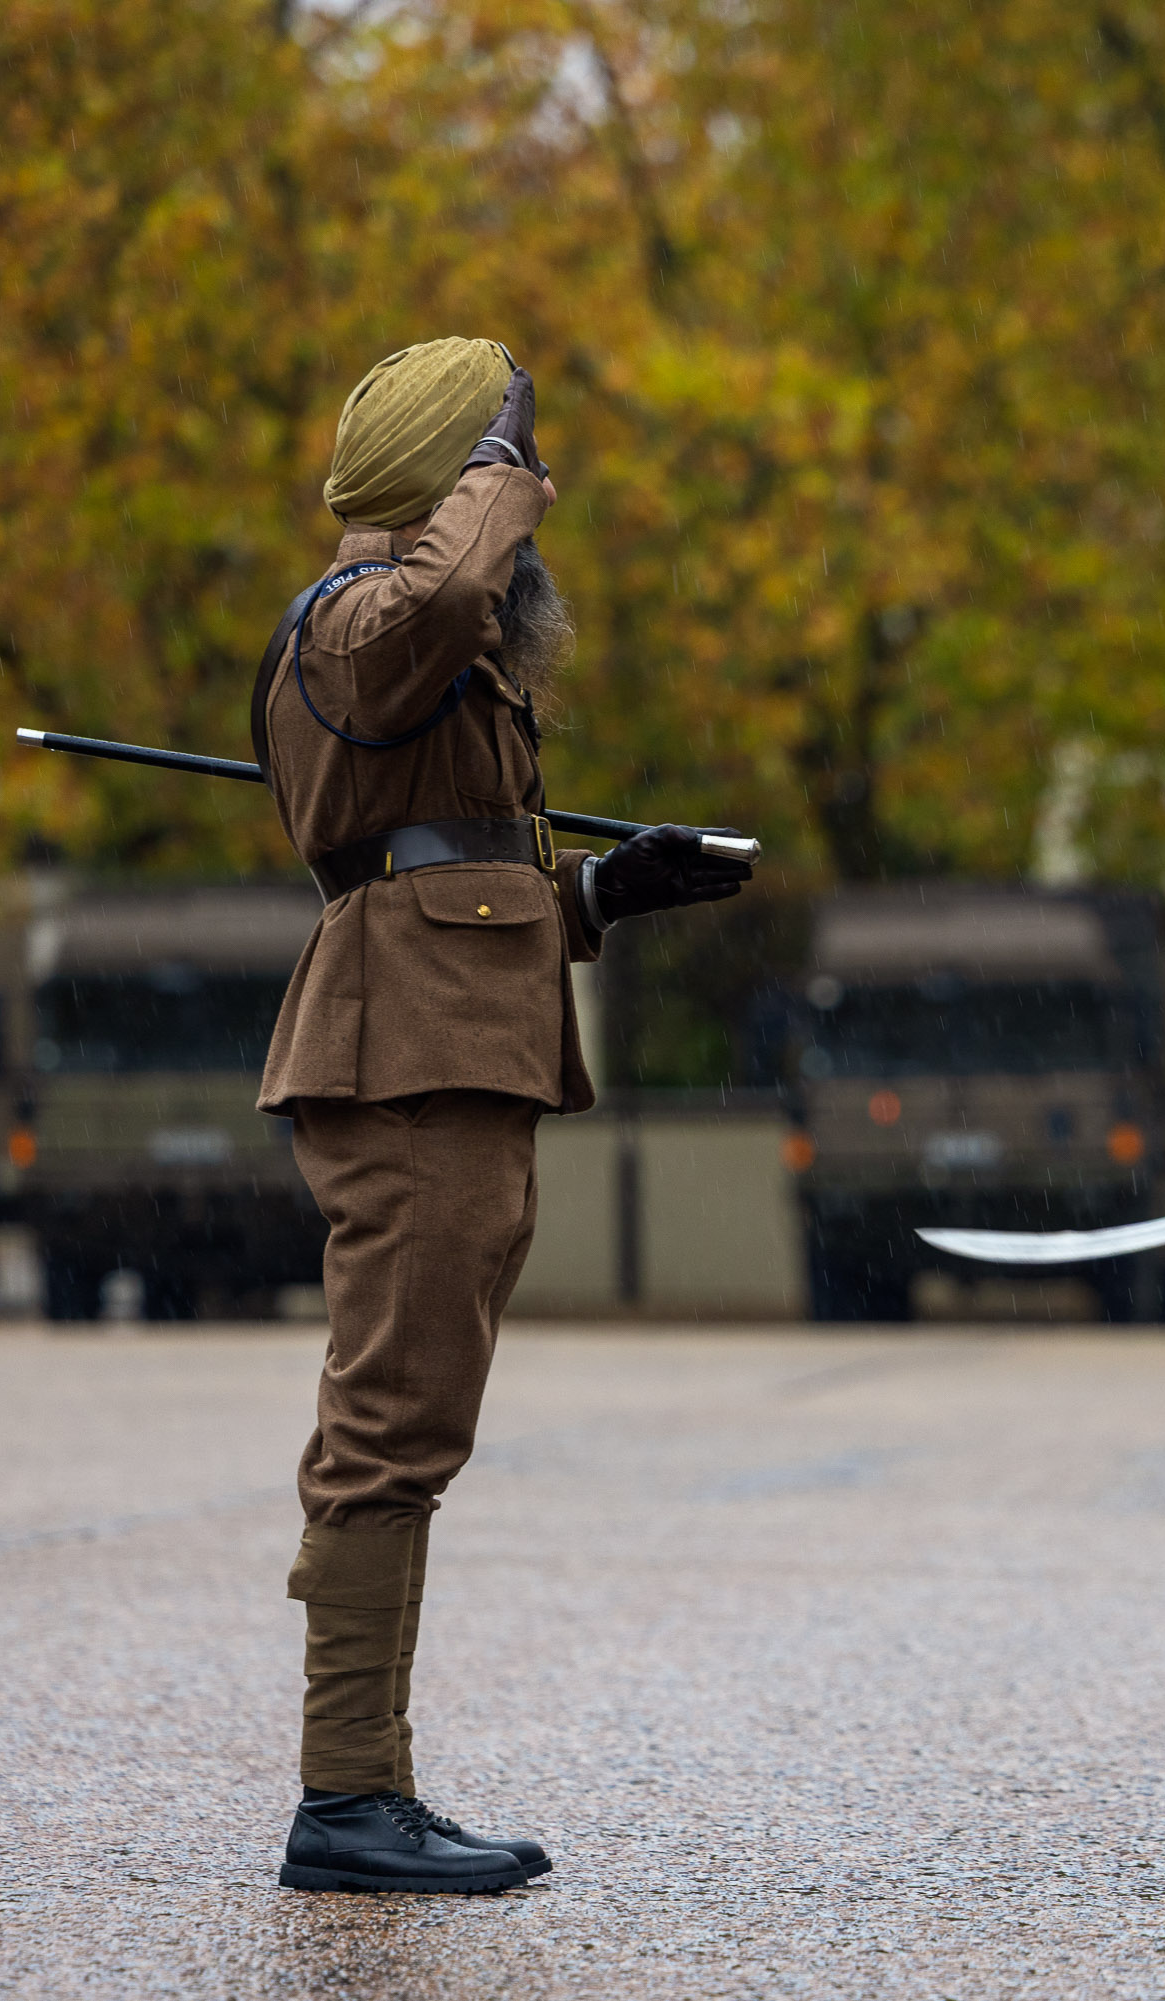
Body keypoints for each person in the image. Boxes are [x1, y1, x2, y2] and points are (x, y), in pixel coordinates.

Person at [262, 340, 749, 1893]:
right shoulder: (363, 620)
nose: (537, 501)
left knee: (412, 1424)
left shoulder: (419, 647)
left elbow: (457, 883)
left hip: (443, 1047)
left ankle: (370, 1792)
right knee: (388, 1429)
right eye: (513, 468)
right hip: (404, 1060)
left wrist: (605, 888)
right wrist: (486, 487)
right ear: (446, 483)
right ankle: (346, 1802)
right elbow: (448, 594)